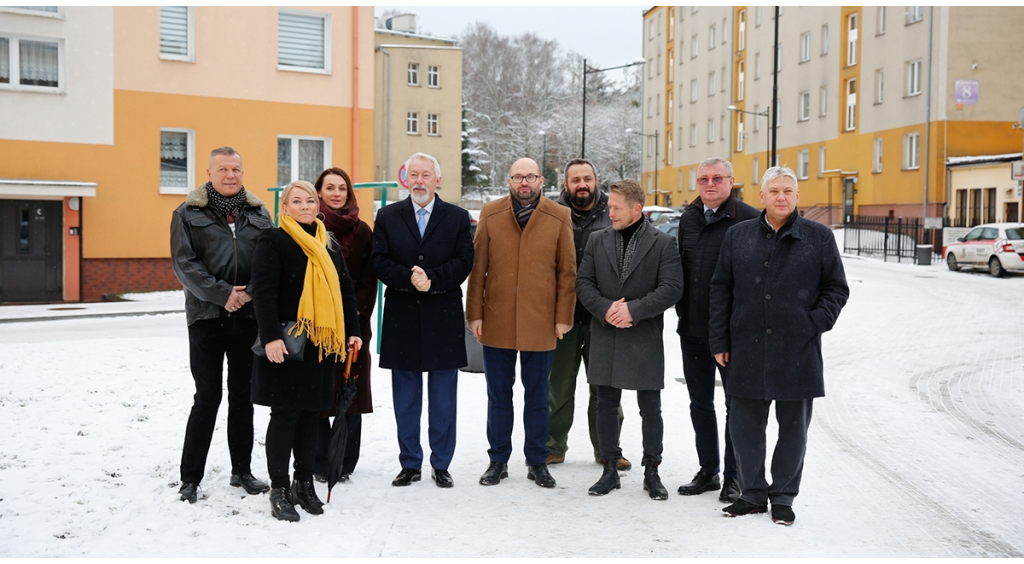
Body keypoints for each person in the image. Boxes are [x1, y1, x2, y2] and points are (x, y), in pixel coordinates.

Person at [709, 166, 849, 525]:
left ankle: (783, 496)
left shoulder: (818, 238)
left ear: (798, 197)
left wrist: (814, 322)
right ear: (762, 197)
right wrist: (720, 340)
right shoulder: (738, 236)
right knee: (744, 427)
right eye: (774, 192)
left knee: (793, 430)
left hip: (797, 350)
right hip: (746, 347)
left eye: (788, 191)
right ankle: (752, 493)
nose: (781, 197)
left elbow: (836, 287)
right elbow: (721, 289)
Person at [250, 180, 361, 522]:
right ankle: (280, 488)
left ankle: (303, 481)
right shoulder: (273, 240)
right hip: (286, 344)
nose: (304, 206)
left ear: (318, 206)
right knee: (284, 416)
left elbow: (344, 291)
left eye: (309, 201)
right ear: (284, 208)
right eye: (296, 201)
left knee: (312, 416)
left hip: (320, 345)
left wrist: (352, 332)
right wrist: (270, 337)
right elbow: (264, 292)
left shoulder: (326, 245)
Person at [170, 147, 273, 504]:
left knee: (243, 398)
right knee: (208, 396)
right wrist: (222, 293)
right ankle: (190, 477)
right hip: (206, 318)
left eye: (237, 169)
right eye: (223, 169)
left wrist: (247, 294)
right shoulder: (187, 212)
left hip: (247, 317)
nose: (231, 175)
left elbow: (269, 260)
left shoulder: (260, 213)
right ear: (209, 172)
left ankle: (241, 471)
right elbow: (185, 264)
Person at [466, 157, 576, 489]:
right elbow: (478, 268)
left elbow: (567, 273)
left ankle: (538, 461)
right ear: (509, 180)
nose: (523, 183)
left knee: (538, 396)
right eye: (517, 177)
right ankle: (498, 460)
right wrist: (474, 313)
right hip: (497, 319)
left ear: (542, 180)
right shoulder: (491, 212)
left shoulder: (559, 216)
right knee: (498, 395)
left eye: (529, 177)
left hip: (541, 321)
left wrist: (563, 318)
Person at [370, 152, 474, 489]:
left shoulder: (457, 217)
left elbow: (464, 261)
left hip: (442, 317)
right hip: (402, 317)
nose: (419, 180)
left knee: (444, 399)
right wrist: (407, 277)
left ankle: (441, 463)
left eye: (426, 175)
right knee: (406, 398)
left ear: (437, 180)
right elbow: (378, 260)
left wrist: (432, 279)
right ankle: (410, 462)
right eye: (413, 174)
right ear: (406, 179)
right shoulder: (387, 216)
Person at [575, 179, 683, 500]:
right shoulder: (597, 240)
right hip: (606, 334)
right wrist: (606, 309)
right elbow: (583, 283)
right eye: (609, 207)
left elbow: (672, 288)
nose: (610, 213)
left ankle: (652, 471)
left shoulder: (663, 243)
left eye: (616, 208)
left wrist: (634, 311)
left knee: (650, 409)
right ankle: (609, 468)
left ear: (637, 209)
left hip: (643, 335)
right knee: (605, 405)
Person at [674, 158, 759, 503]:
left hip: (731, 333)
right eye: (704, 178)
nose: (710, 184)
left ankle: (734, 477)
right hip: (692, 327)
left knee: (734, 406)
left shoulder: (750, 219)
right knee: (700, 403)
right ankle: (708, 471)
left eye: (717, 178)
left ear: (731, 181)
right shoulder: (688, 219)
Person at [546, 159, 631, 471]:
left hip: (603, 317)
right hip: (562, 317)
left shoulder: (615, 213)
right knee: (558, 388)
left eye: (587, 178)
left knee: (606, 389)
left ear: (597, 180)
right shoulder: (552, 214)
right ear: (565, 184)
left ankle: (608, 449)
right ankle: (553, 446)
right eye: (575, 179)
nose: (582, 184)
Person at [311, 167, 377, 483]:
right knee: (321, 394)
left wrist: (355, 316)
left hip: (353, 326)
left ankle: (347, 462)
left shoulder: (363, 231)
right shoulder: (309, 227)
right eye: (330, 188)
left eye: (342, 188)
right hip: (320, 327)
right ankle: (322, 461)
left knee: (351, 393)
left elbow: (368, 278)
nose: (336, 193)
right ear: (319, 192)